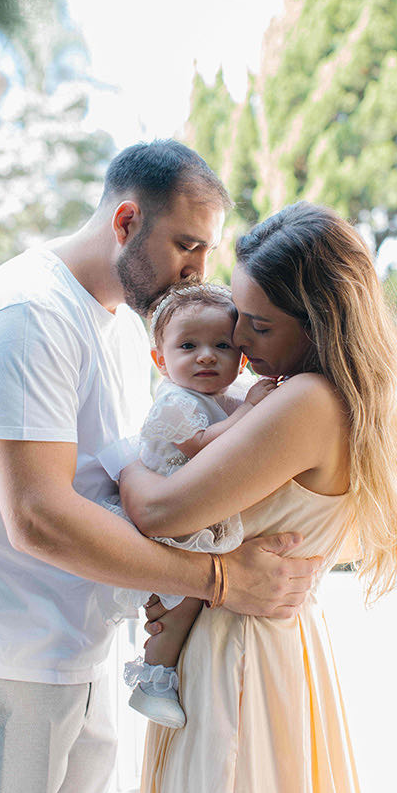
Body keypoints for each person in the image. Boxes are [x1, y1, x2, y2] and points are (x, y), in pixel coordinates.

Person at [0, 140, 323, 793]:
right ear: (126, 223)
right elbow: (39, 514)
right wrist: (220, 579)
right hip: (8, 656)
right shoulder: (25, 313)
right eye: (187, 244)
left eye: (206, 250)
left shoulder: (123, 329)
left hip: (78, 647)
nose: (198, 271)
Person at [118, 201, 397, 793]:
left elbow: (159, 513)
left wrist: (123, 461)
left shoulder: (308, 402)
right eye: (241, 317)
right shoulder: (323, 398)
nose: (236, 340)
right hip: (269, 640)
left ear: (319, 325)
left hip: (239, 651)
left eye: (259, 328)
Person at [97, 281, 279, 729]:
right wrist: (249, 412)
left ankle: (164, 675)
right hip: (170, 524)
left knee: (191, 605)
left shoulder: (224, 397)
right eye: (188, 345)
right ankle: (152, 681)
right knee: (177, 609)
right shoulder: (175, 401)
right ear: (161, 360)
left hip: (194, 515)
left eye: (221, 345)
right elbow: (203, 447)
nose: (206, 356)